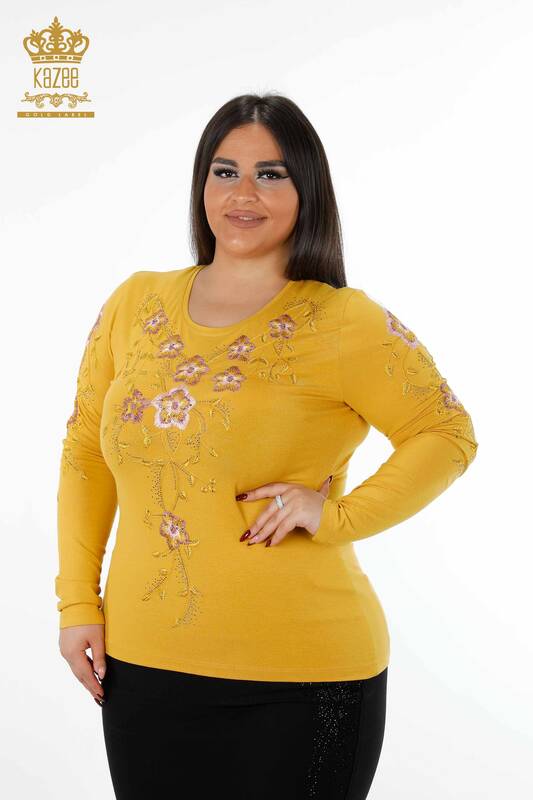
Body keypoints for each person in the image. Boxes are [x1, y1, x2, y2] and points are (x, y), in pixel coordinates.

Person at [55, 93, 478, 799]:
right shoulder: (135, 303)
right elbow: (85, 456)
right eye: (224, 172)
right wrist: (78, 606)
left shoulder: (345, 321)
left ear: (307, 189)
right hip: (144, 666)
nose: (242, 194)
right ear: (202, 185)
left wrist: (335, 515)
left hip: (305, 679)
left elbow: (446, 432)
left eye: (270, 174)